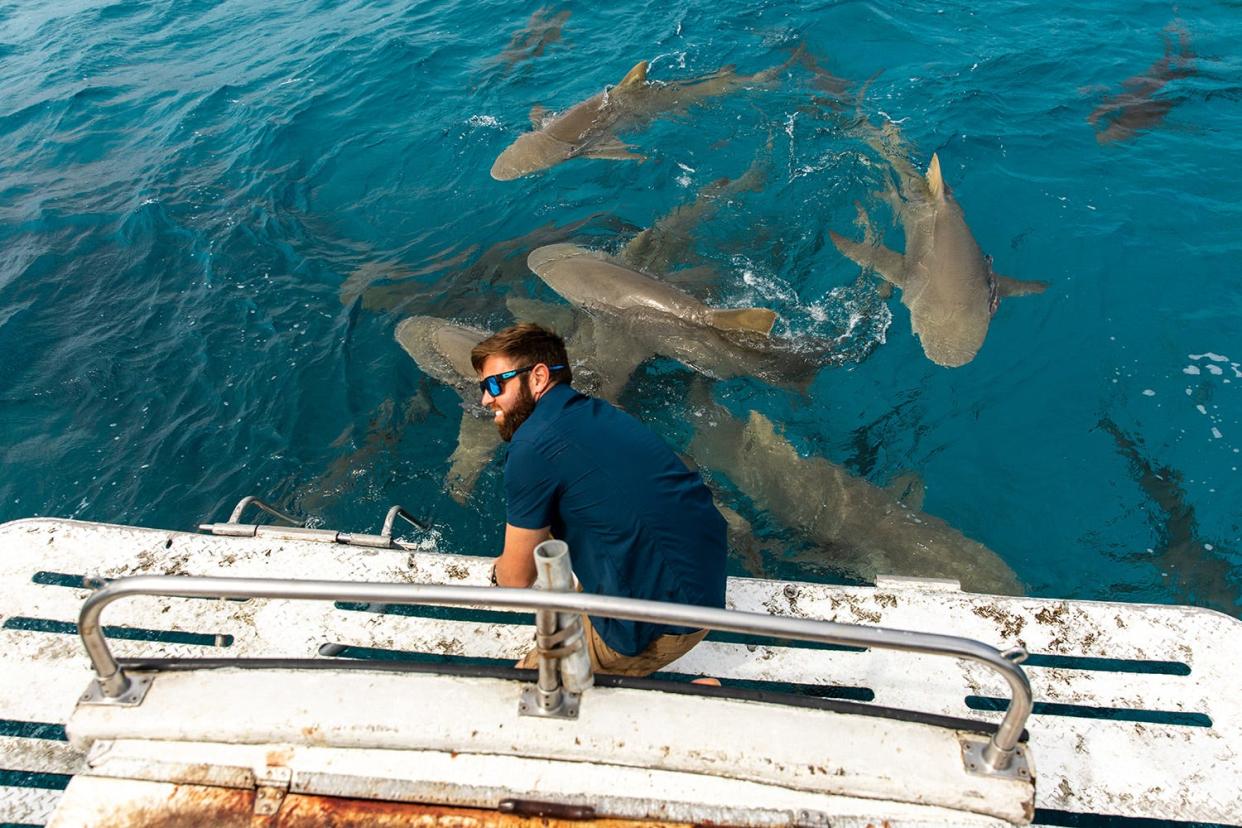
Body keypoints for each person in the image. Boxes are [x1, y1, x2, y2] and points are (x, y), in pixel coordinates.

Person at [470, 323, 727, 677]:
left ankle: (700, 698)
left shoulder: (531, 444)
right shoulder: (599, 412)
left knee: (525, 689)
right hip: (706, 586)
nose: (486, 399)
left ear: (538, 377)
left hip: (663, 625)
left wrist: (498, 572)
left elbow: (516, 578)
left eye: (494, 384)